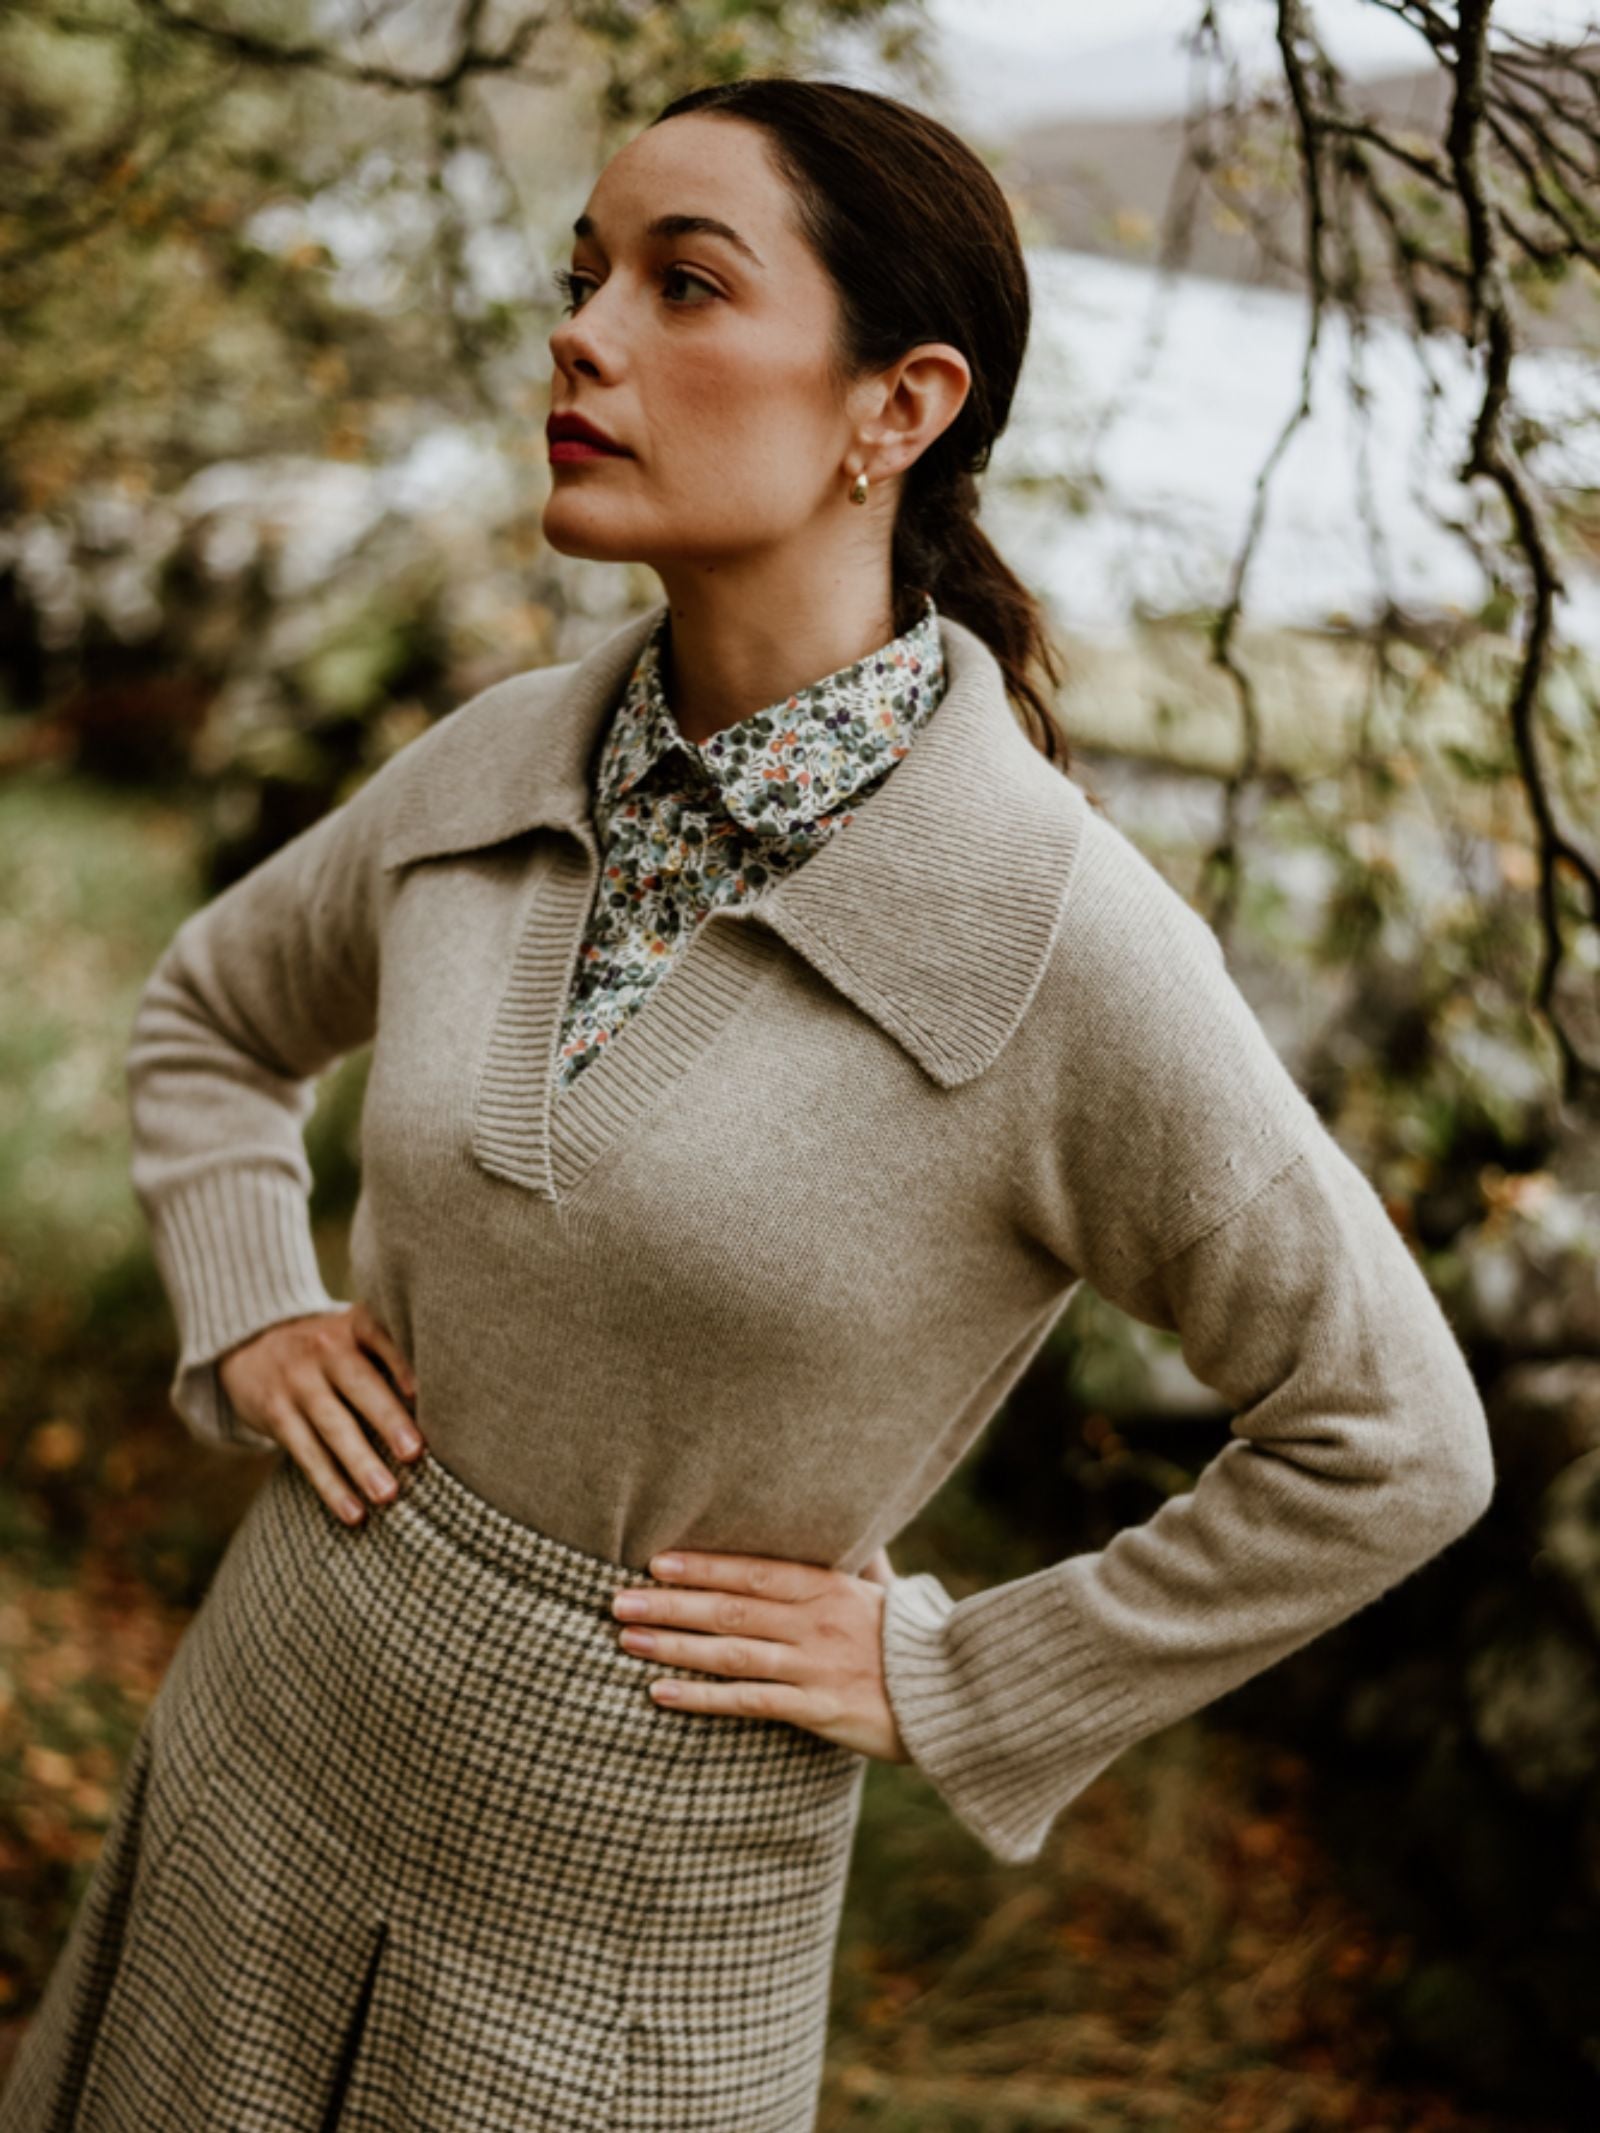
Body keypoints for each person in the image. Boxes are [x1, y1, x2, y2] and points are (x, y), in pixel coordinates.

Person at [0, 73, 1495, 2133]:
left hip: (624, 1920)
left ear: (897, 408)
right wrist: (252, 1292)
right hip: (269, 1731)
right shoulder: (499, 754)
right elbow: (209, 1015)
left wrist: (955, 1673)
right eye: (581, 272)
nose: (582, 333)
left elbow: (1390, 1438)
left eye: (681, 283)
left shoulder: (1058, 941)